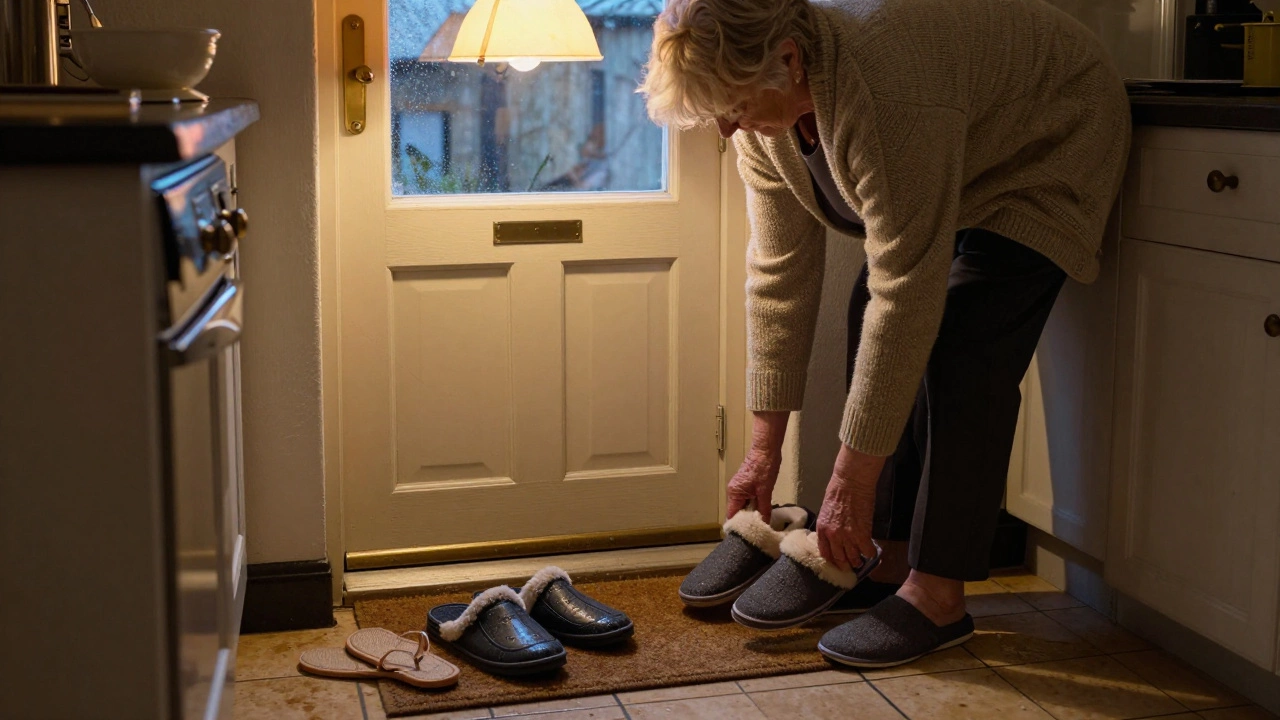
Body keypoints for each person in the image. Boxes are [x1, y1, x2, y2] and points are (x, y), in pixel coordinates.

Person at [639, 0, 1130, 666]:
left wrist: (849, 485)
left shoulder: (883, 89)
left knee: (964, 349)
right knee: (863, 303)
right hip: (964, 145)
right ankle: (881, 559)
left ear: (787, 59)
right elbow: (780, 276)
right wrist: (764, 453)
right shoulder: (761, 122)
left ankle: (937, 596)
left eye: (734, 105)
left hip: (1051, 136)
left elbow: (908, 297)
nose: (728, 130)